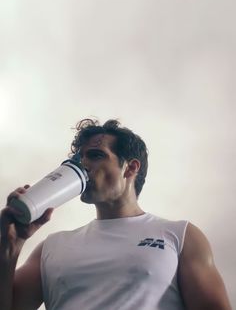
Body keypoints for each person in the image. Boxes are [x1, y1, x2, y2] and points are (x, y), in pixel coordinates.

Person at [0, 119, 232, 310]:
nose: (83, 165)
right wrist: (10, 245)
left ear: (130, 168)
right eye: (78, 159)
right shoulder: (52, 246)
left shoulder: (180, 236)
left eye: (95, 155)